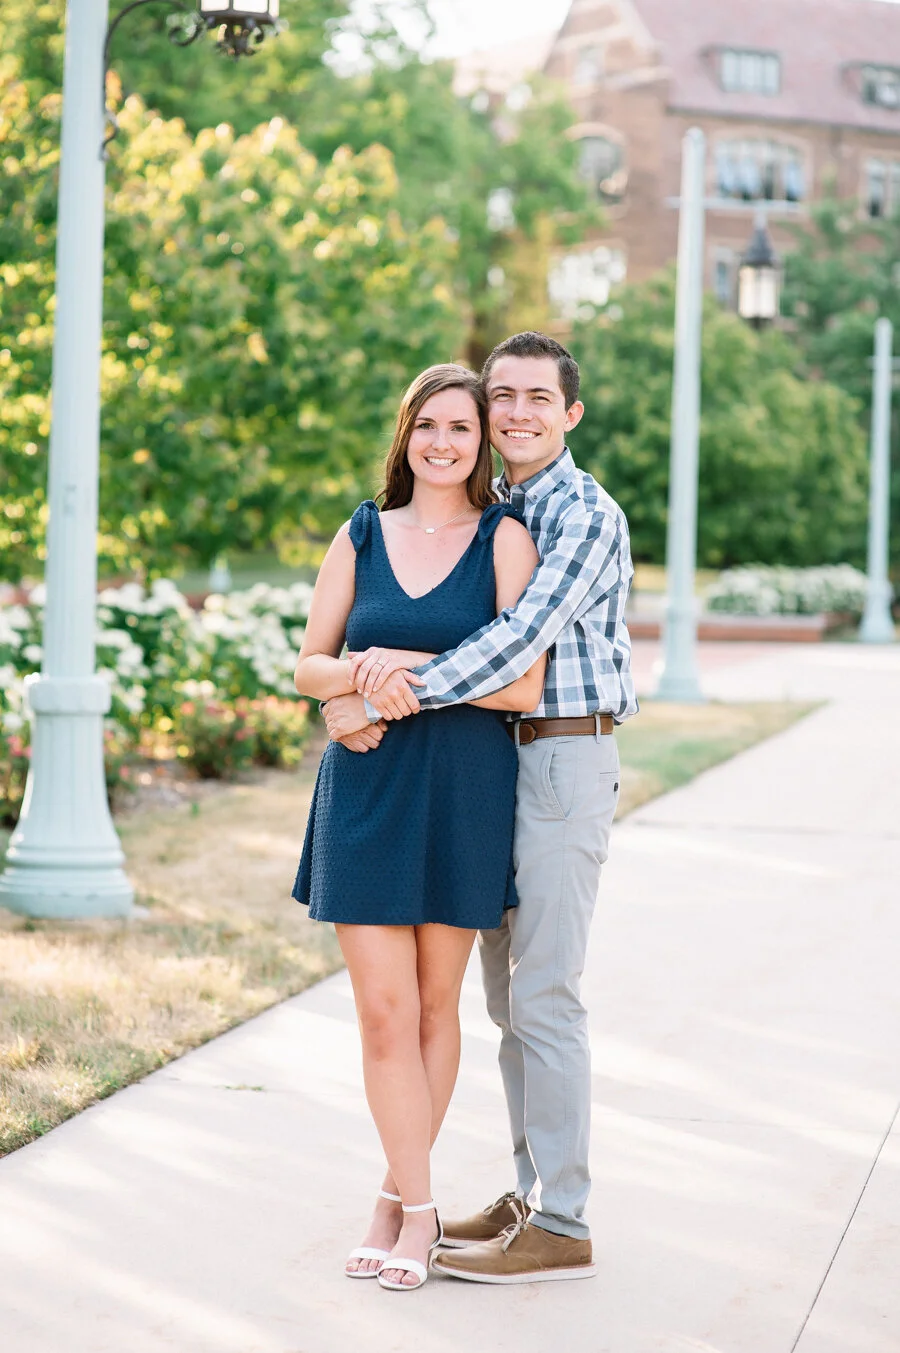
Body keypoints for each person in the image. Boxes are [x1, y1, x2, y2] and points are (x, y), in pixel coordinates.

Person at [324, 331, 638, 1284]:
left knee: (544, 995)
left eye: (539, 398)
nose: (517, 413)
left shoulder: (579, 513)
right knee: (506, 1000)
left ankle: (564, 1218)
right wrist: (359, 684)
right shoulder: (509, 505)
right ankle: (529, 1195)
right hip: (498, 765)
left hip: (562, 756)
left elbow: (516, 644)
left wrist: (381, 687)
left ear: (570, 411)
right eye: (504, 396)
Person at [291, 362, 545, 1292]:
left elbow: (523, 684)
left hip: (463, 792)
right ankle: (424, 1208)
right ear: (407, 434)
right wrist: (359, 675)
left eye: (462, 428)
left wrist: (398, 664)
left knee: (438, 1008)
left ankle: (395, 1204)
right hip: (367, 788)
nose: (444, 442)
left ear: (483, 444)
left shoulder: (505, 539)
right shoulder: (362, 530)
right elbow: (308, 665)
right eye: (429, 424)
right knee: (382, 1012)